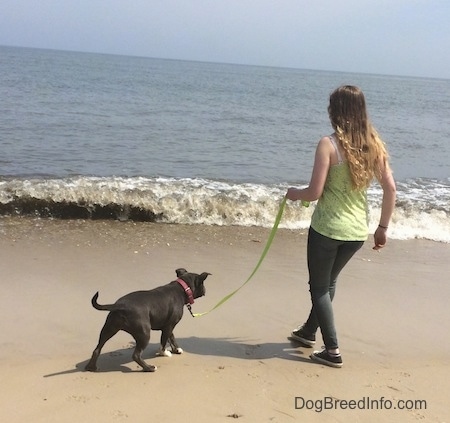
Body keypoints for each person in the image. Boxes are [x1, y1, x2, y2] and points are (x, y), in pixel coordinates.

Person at [285, 85, 396, 368]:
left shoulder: (329, 144)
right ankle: (309, 331)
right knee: (329, 283)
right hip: (356, 232)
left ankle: (332, 349)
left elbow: (314, 192)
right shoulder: (374, 146)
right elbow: (390, 189)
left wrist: (294, 193)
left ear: (336, 111)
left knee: (319, 288)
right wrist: (382, 227)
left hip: (327, 230)